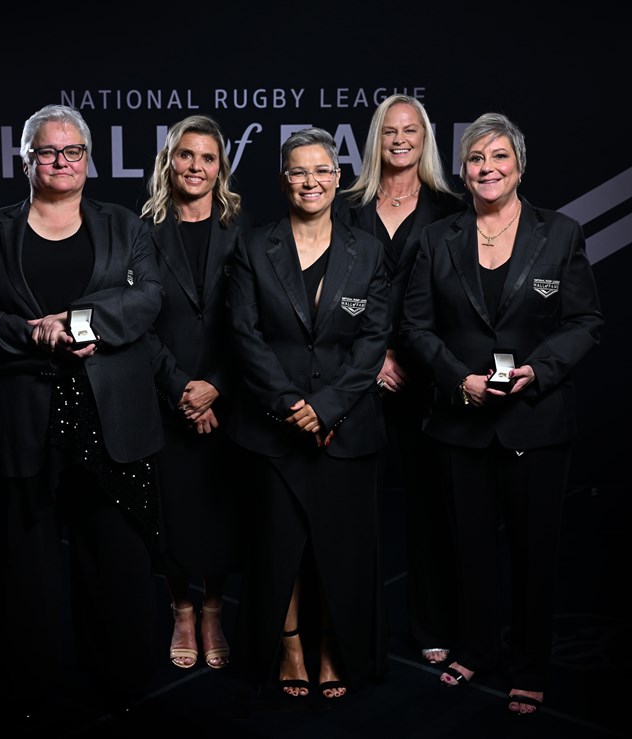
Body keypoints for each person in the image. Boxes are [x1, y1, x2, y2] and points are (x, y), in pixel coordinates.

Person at [0, 103, 164, 722]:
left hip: (109, 413)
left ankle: (120, 678)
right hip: (21, 415)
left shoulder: (125, 226)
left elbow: (149, 296)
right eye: (48, 151)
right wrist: (30, 333)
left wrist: (88, 322)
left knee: (115, 556)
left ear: (89, 158)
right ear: (25, 160)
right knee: (27, 561)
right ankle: (30, 683)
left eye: (73, 151)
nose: (61, 162)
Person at [399, 112, 603, 715]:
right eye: (476, 160)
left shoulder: (560, 234)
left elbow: (585, 321)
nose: (487, 169)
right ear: (462, 172)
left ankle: (532, 663)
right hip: (462, 423)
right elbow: (414, 324)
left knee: (534, 553)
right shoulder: (438, 240)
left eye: (499, 159)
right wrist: (457, 379)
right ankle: (475, 646)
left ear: (519, 168)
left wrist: (537, 371)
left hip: (536, 424)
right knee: (469, 547)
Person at [228, 127, 391, 701]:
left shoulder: (367, 251)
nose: (311, 181)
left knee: (339, 549)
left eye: (321, 170)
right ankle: (291, 645)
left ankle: (333, 647)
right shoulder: (254, 246)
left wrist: (327, 409)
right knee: (280, 546)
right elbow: (244, 335)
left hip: (346, 428)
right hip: (274, 429)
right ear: (283, 180)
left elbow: (373, 341)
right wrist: (292, 406)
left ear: (339, 177)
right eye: (299, 171)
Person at [338, 94, 466, 666]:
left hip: (427, 382)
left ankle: (431, 624)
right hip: (358, 377)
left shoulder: (450, 208)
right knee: (352, 513)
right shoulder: (346, 205)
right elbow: (328, 291)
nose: (399, 139)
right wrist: (374, 358)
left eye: (410, 130)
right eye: (389, 130)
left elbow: (456, 301)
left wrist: (410, 357)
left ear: (425, 138)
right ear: (375, 138)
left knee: (429, 510)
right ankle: (353, 630)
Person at [141, 114, 249, 672]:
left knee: (222, 509)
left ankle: (212, 609)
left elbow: (252, 322)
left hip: (228, 397)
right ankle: (181, 607)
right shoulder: (144, 230)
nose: (196, 167)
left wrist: (216, 388)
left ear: (220, 167)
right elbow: (139, 324)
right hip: (168, 397)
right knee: (174, 511)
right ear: (169, 161)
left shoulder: (243, 231)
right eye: (186, 155)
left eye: (208, 158)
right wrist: (183, 388)